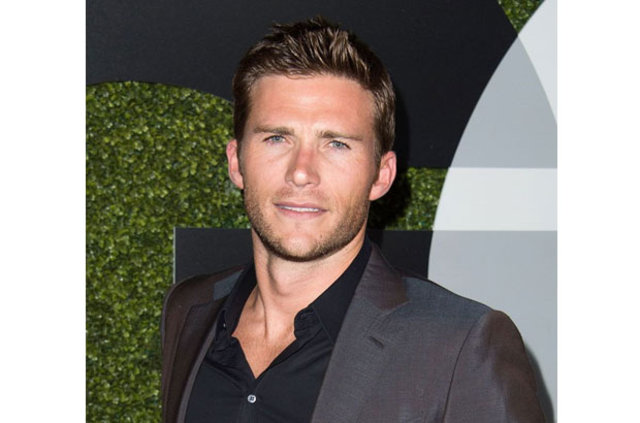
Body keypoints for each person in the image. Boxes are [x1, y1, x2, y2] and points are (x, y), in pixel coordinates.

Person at [161, 16, 544, 423]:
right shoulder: (189, 310)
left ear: (381, 175)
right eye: (277, 138)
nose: (301, 172)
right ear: (237, 162)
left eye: (337, 144)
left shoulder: (459, 347)